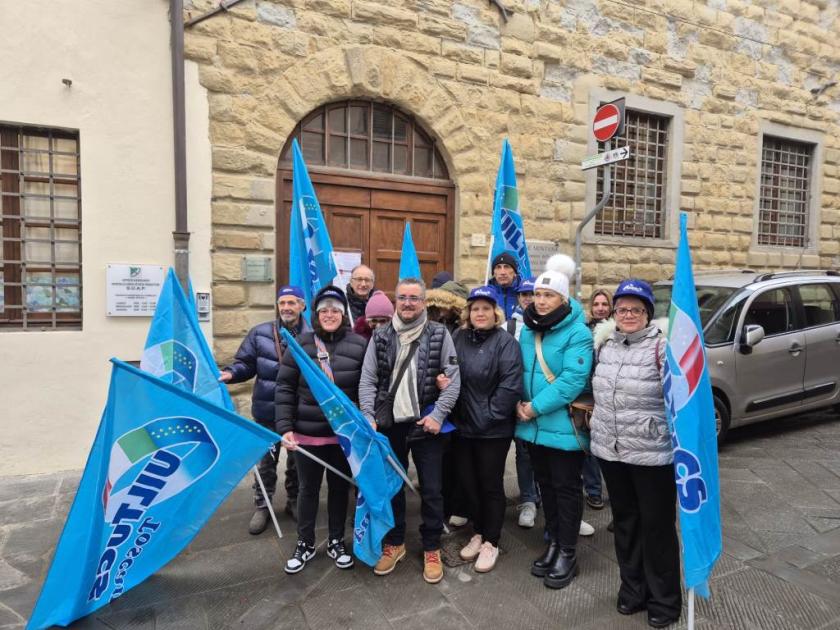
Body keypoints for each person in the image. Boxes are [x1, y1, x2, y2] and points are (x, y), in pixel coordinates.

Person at [590, 279, 681, 628]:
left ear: (648, 313)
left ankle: (664, 599)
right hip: (611, 451)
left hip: (652, 454)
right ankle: (633, 589)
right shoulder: (605, 345)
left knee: (656, 528)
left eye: (636, 310)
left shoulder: (663, 347)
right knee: (625, 525)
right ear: (614, 313)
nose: (628, 315)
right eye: (622, 309)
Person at [358, 277, 461, 584]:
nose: (407, 303)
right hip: (390, 426)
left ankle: (431, 547)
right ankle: (395, 542)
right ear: (396, 300)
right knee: (392, 487)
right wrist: (368, 415)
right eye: (402, 297)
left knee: (431, 489)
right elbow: (368, 379)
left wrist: (438, 415)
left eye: (414, 298)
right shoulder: (380, 335)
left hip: (425, 424)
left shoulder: (440, 333)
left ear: (423, 302)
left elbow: (453, 379)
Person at [275, 285, 368, 574]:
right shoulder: (300, 344)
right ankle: (305, 542)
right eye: (324, 310)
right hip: (307, 433)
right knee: (308, 490)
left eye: (335, 310)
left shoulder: (359, 345)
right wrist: (285, 427)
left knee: (340, 489)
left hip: (343, 436)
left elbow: (367, 387)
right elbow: (285, 386)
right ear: (316, 314)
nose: (329, 314)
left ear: (343, 314)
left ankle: (336, 540)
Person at [516, 265, 593, 590]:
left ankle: (568, 552)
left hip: (562, 426)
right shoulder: (527, 330)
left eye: (549, 295)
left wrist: (533, 407)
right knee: (546, 487)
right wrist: (518, 403)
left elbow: (572, 380)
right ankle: (554, 542)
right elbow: (517, 370)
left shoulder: (578, 333)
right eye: (538, 294)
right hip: (533, 427)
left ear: (563, 299)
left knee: (566, 489)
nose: (541, 301)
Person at [220, 285, 308, 535]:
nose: (286, 308)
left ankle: (294, 501)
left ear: (302, 306)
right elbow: (245, 364)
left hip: (298, 413)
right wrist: (231, 373)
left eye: (292, 302)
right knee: (266, 463)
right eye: (282, 303)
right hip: (267, 411)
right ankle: (263, 505)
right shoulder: (260, 333)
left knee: (297, 463)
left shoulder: (313, 335)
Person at [452, 287, 523, 572]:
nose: (480, 313)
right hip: (462, 427)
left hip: (493, 429)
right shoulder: (458, 337)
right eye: (475, 309)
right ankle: (478, 531)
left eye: (485, 308)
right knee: (468, 483)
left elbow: (510, 386)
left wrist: (486, 417)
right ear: (468, 313)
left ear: (496, 313)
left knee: (490, 484)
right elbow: (448, 369)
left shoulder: (506, 343)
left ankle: (491, 541)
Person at [425, 278, 470, 527]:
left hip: (463, 402)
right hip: (437, 401)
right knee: (441, 459)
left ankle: (459, 505)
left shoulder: (464, 328)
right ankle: (443, 506)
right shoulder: (431, 322)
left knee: (459, 459)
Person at [503, 278, 540, 528]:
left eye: (532, 293)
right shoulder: (509, 326)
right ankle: (527, 499)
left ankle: (539, 498)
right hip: (514, 400)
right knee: (522, 453)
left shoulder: (552, 324)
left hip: (539, 400)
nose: (528, 298)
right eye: (524, 294)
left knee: (538, 454)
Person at [583, 288, 613, 511]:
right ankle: (594, 491)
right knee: (590, 446)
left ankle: (615, 490)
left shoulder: (617, 330)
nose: (600, 308)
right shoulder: (584, 331)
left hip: (611, 396)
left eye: (604, 304)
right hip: (589, 396)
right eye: (596, 304)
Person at [488, 251, 522, 319]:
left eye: (507, 267)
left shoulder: (524, 293)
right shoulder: (486, 294)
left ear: (514, 272)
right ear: (493, 273)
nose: (502, 272)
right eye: (498, 267)